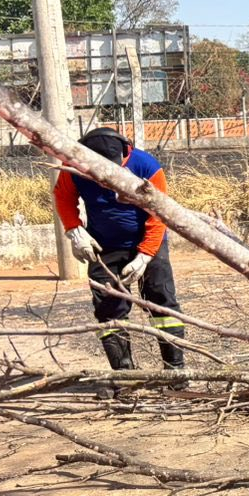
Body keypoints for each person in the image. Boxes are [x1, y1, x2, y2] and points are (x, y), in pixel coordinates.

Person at [54, 127, 187, 371]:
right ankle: (125, 373)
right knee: (108, 309)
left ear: (126, 152)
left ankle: (175, 369)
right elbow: (63, 196)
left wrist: (145, 255)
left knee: (162, 303)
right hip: (103, 246)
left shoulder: (146, 165)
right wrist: (74, 231)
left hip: (148, 241)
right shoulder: (73, 166)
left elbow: (160, 213)